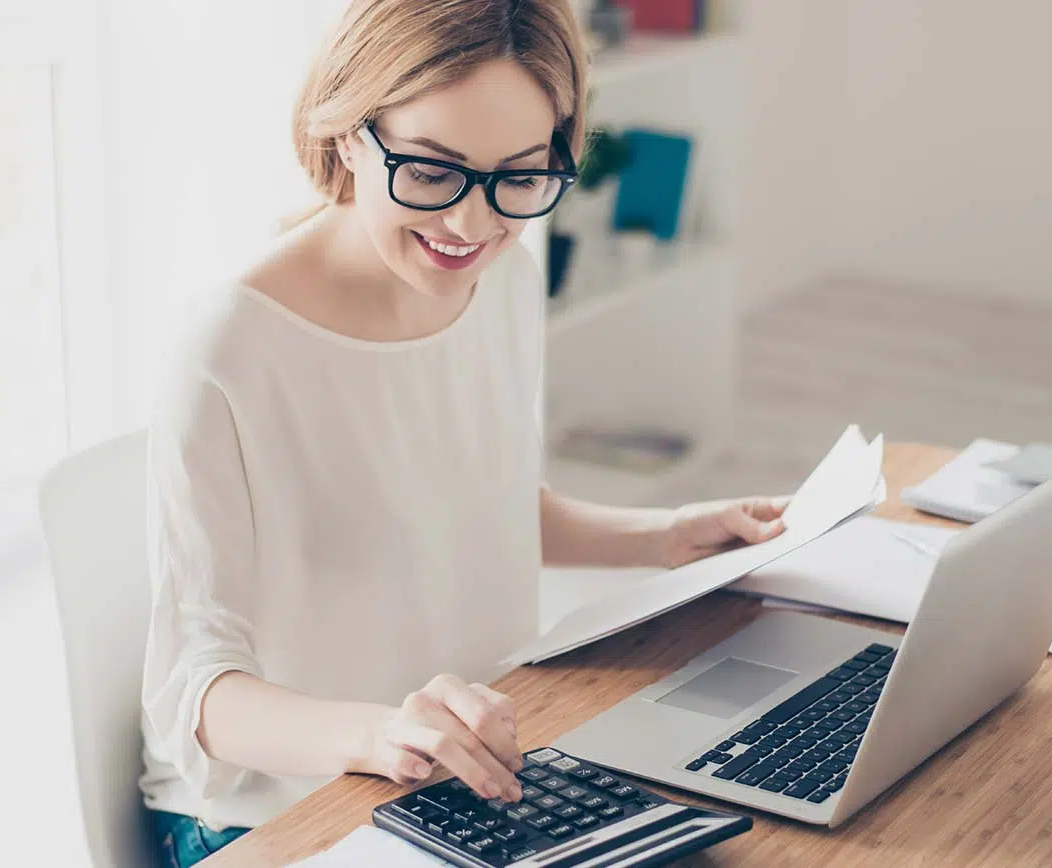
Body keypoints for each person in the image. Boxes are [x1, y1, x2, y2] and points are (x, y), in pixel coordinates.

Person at [136, 1, 787, 865]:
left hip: (475, 790)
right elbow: (198, 694)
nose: (473, 225)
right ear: (346, 133)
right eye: (433, 172)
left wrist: (667, 537)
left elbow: (487, 502)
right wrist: (381, 735)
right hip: (277, 820)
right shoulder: (229, 347)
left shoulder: (503, 280)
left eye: (519, 175)